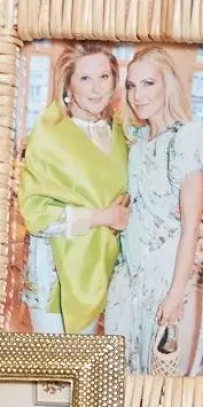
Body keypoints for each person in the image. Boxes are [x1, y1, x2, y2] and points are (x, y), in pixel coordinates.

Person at [107, 47, 203, 375]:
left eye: (148, 83)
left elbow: (191, 227)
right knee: (115, 370)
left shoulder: (189, 136)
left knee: (153, 374)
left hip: (162, 274)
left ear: (167, 83)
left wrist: (175, 292)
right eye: (131, 85)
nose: (138, 95)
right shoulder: (136, 139)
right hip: (128, 271)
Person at [17, 45, 132, 334]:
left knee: (82, 370)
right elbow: (36, 215)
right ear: (68, 84)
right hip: (54, 271)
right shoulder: (50, 133)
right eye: (85, 79)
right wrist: (101, 217)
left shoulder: (121, 133)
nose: (96, 89)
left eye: (104, 77)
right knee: (52, 369)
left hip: (98, 270)